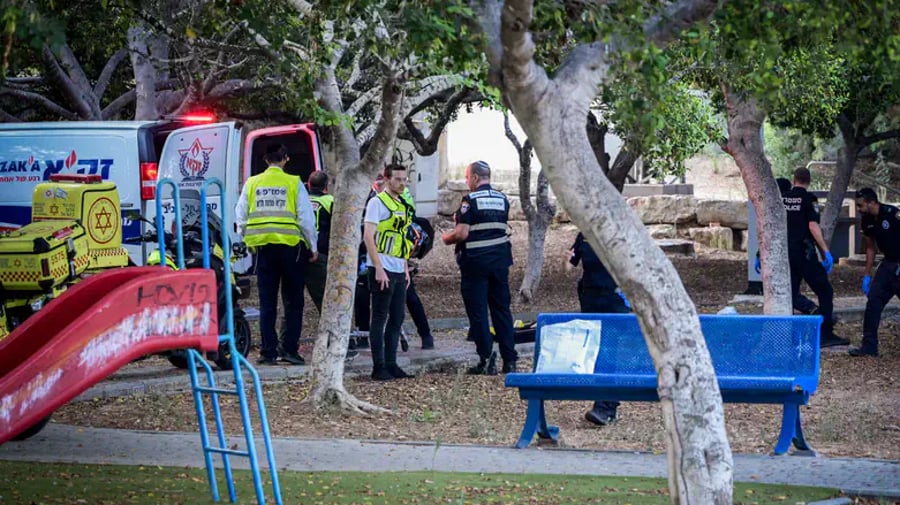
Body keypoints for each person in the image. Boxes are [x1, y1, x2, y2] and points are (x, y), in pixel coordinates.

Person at [235, 143, 318, 366]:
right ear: (285, 159)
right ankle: (289, 349)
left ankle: (268, 352)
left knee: (267, 303)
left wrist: (248, 241)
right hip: (292, 249)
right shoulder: (293, 183)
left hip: (263, 250)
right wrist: (313, 247)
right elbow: (306, 219)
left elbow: (240, 217)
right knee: (293, 302)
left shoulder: (252, 183)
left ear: (265, 160)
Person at [442, 160, 517, 375]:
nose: (467, 182)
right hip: (500, 262)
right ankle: (509, 360)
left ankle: (486, 359)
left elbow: (462, 233)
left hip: (475, 263)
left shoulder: (470, 200)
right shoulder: (502, 199)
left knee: (478, 312)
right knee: (502, 311)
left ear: (475, 178)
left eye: (467, 178)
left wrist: (446, 238)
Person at [782, 168, 847, 348]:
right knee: (825, 291)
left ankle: (787, 336)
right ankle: (825, 334)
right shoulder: (809, 199)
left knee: (791, 294)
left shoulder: (783, 198)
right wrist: (825, 251)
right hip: (804, 253)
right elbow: (812, 226)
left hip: (786, 254)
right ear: (808, 181)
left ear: (793, 179)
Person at [568, 232, 629, 426]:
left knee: (607, 351)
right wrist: (567, 260)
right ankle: (604, 403)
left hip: (613, 300)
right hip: (590, 300)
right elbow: (570, 266)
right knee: (597, 351)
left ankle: (605, 407)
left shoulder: (619, 231)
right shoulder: (583, 235)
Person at [363, 163, 415, 380]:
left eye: (404, 180)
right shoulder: (377, 202)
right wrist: (378, 268)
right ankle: (379, 366)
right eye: (397, 179)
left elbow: (402, 238)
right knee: (380, 317)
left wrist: (405, 268)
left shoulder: (402, 203)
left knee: (397, 317)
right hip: (381, 267)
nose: (402, 183)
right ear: (386, 179)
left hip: (397, 267)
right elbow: (368, 236)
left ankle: (392, 363)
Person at [849, 188, 900, 357]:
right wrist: (867, 274)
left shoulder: (893, 213)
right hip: (888, 265)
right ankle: (869, 346)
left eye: (860, 205)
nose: (858, 209)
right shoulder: (867, 220)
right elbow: (870, 248)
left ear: (872, 202)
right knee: (873, 303)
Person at [400, 186, 435, 350]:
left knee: (410, 297)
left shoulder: (399, 191)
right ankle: (364, 336)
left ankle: (426, 336)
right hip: (380, 257)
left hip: (398, 256)